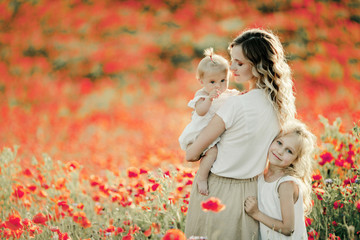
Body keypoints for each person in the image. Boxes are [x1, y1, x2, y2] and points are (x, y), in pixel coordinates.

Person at [184, 28, 296, 240]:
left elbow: (191, 154)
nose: (231, 68)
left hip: (216, 190)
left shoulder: (236, 104)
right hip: (253, 194)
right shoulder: (279, 105)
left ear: (259, 65)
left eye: (240, 63)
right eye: (232, 60)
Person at [179, 47, 239, 196]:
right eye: (212, 82)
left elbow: (237, 99)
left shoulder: (229, 93)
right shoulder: (202, 95)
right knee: (212, 152)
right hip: (200, 132)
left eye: (223, 80)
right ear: (201, 81)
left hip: (217, 133)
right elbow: (201, 111)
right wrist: (209, 99)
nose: (218, 85)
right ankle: (202, 177)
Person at [244, 119, 315, 240]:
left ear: (296, 160)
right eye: (279, 143)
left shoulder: (285, 184)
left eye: (289, 151)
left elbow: (288, 228)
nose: (280, 151)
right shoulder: (262, 177)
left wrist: (256, 214)